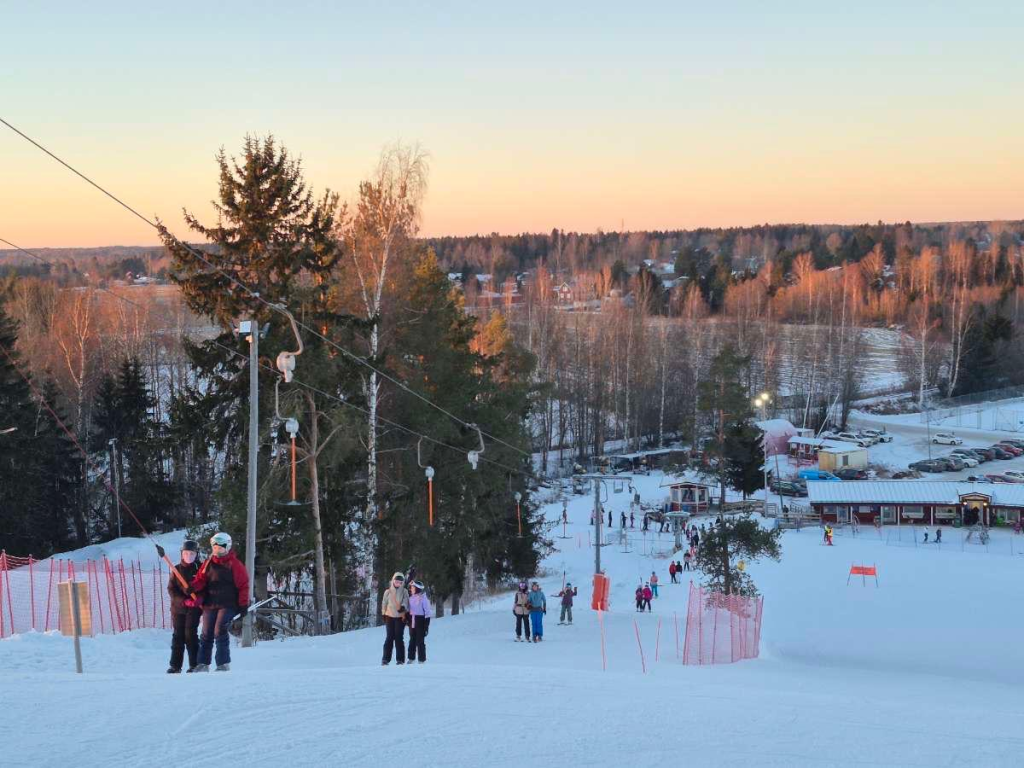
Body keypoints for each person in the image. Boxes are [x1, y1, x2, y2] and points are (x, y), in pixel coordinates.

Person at [190, 532, 249, 672]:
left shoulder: (234, 564)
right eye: (215, 547)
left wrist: (243, 604)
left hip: (227, 604)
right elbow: (200, 580)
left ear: (227, 547)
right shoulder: (208, 563)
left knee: (219, 630)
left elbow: (243, 585)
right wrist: (192, 587)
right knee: (206, 633)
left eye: (221, 547)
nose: (218, 549)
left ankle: (223, 664)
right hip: (210, 603)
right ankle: (203, 663)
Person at [167, 539, 202, 673]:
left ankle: (195, 665)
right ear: (182, 553)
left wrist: (198, 597)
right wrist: (183, 600)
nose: (189, 556)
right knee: (178, 635)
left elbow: (205, 586)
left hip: (194, 608)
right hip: (178, 608)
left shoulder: (200, 569)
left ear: (196, 554)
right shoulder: (176, 570)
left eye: (192, 554)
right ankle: (175, 666)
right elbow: (171, 589)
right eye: (186, 553)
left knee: (190, 634)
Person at [380, 571, 410, 665]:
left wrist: (403, 607)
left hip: (400, 618)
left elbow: (406, 601)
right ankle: (385, 659)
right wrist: (383, 614)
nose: (398, 584)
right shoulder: (387, 592)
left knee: (399, 638)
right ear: (393, 581)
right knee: (389, 638)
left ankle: (400, 660)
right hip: (389, 617)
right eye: (396, 582)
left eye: (400, 582)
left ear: (402, 583)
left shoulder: (404, 591)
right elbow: (384, 603)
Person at [407, 580, 432, 664]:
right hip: (412, 622)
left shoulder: (424, 599)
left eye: (413, 587)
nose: (411, 589)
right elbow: (409, 611)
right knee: (412, 640)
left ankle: (421, 660)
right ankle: (411, 658)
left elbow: (428, 613)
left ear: (417, 589)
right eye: (411, 587)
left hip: (420, 622)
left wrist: (426, 626)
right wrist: (408, 620)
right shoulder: (410, 598)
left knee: (420, 641)